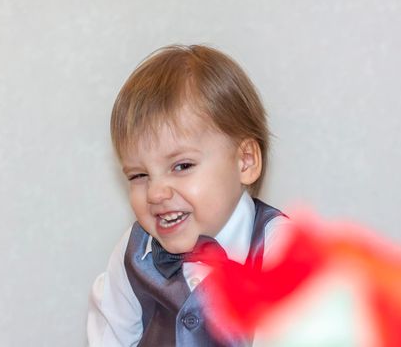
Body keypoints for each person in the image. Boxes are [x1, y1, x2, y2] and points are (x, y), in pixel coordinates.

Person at [87, 44, 288, 346]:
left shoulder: (280, 252)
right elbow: (110, 338)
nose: (156, 193)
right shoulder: (133, 253)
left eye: (181, 166)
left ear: (244, 161)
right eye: (139, 175)